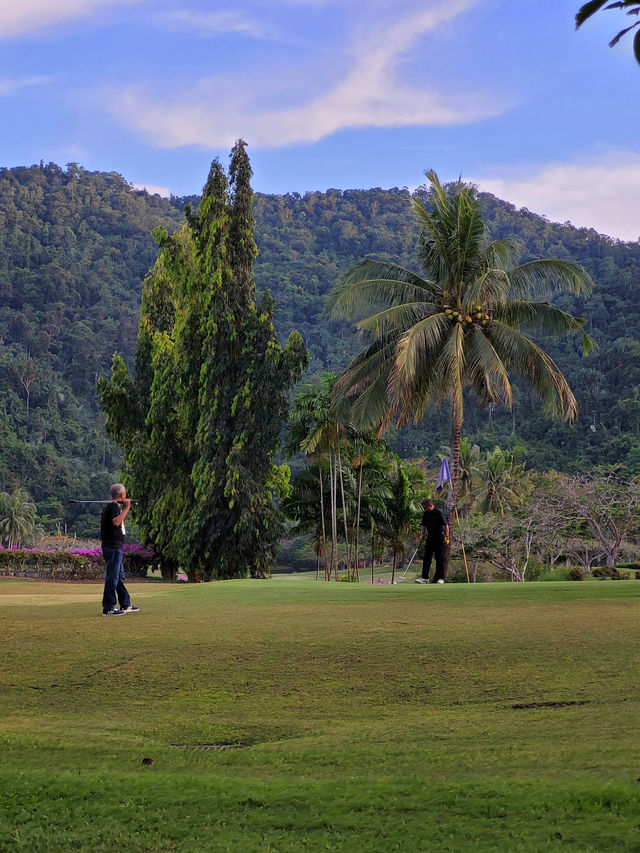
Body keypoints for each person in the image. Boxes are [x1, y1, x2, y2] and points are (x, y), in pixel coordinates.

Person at [101, 483, 140, 615]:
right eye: (125, 493)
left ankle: (125, 604)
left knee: (119, 577)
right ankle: (108, 608)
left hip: (116, 546)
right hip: (112, 547)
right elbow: (116, 522)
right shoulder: (113, 507)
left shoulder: (114, 507)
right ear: (122, 495)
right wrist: (127, 507)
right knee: (113, 577)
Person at [415, 497, 449, 584]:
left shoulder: (439, 513)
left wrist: (447, 536)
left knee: (439, 558)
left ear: (430, 505)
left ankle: (441, 578)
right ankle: (425, 578)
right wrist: (422, 535)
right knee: (427, 558)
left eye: (425, 508)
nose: (425, 509)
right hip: (430, 538)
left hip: (440, 538)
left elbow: (446, 525)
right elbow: (423, 525)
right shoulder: (426, 513)